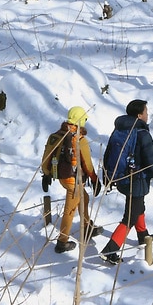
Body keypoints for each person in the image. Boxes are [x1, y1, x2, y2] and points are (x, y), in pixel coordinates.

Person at [100, 99, 153, 265]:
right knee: (130, 216)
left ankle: (143, 236)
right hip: (136, 180)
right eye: (146, 111)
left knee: (138, 207)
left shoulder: (120, 129)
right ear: (139, 115)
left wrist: (107, 177)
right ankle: (110, 250)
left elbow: (108, 154)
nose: (147, 114)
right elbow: (152, 163)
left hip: (122, 178)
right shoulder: (142, 134)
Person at [41, 106, 101, 253]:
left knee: (84, 198)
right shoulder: (79, 139)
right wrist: (94, 179)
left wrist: (46, 173)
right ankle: (62, 242)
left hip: (62, 177)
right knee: (70, 210)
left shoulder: (56, 135)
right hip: (74, 180)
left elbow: (47, 155)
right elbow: (87, 164)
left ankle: (87, 227)